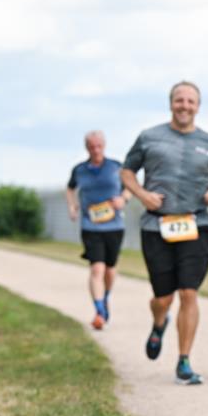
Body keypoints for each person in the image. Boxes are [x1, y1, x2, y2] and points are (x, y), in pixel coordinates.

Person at [121, 81, 208, 385]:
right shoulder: (149, 137)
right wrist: (142, 195)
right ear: (171, 104)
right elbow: (126, 171)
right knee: (163, 298)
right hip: (157, 225)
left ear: (198, 106)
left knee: (188, 292)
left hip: (197, 224)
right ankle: (158, 322)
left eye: (191, 101)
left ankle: (184, 361)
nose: (185, 106)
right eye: (180, 100)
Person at [67, 130, 130, 330]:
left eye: (99, 146)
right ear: (87, 148)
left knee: (110, 270)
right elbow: (70, 189)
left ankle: (105, 297)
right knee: (97, 268)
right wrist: (72, 205)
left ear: (104, 145)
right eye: (92, 147)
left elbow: (130, 186)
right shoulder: (79, 170)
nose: (96, 150)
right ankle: (100, 311)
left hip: (114, 225)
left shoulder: (115, 167)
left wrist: (123, 199)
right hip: (90, 225)